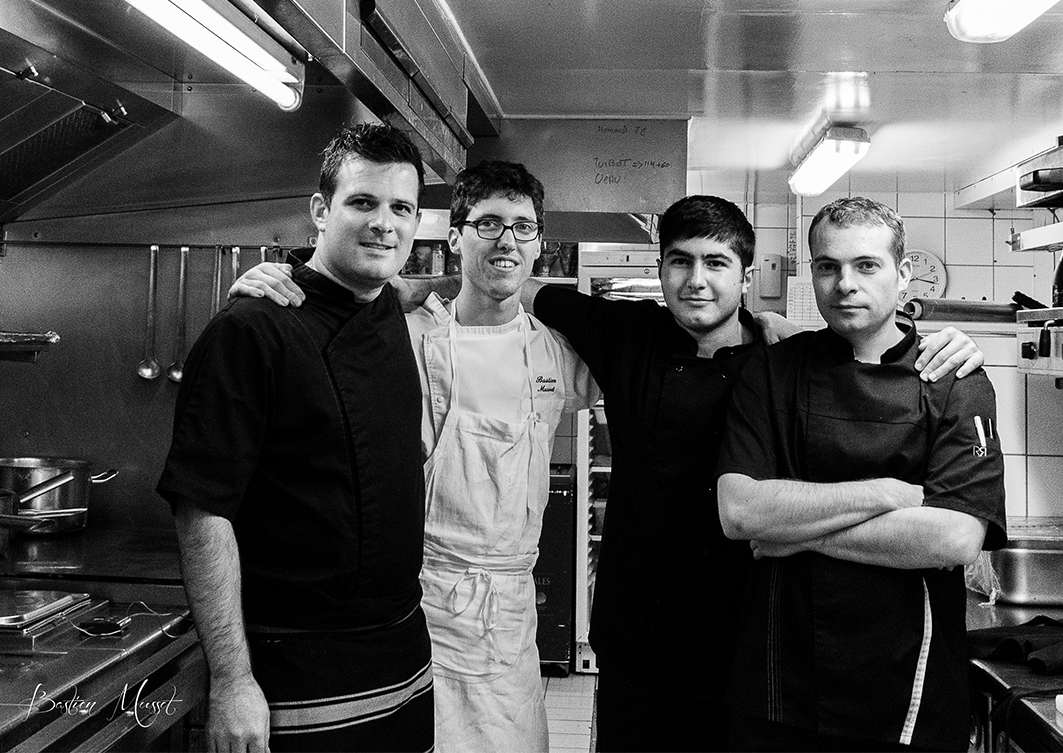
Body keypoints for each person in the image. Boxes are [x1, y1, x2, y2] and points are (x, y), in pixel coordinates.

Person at [232, 193, 985, 752]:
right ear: (660, 269)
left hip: (749, 625)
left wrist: (938, 336)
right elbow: (505, 285)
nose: (697, 281)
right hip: (639, 618)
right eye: (680, 262)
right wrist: (375, 282)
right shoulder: (627, 332)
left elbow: (861, 361)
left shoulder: (780, 355)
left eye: (717, 264)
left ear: (746, 274)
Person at [234, 160, 599, 751]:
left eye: (523, 227)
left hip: (507, 618)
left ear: (539, 244)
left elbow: (657, 359)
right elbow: (320, 310)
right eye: (487, 224)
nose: (507, 240)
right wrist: (277, 283)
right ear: (455, 238)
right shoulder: (399, 329)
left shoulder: (557, 353)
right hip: (410, 604)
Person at [156, 123, 434, 753]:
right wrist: (233, 680)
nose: (383, 225)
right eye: (362, 203)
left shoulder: (388, 304)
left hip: (402, 651)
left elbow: (437, 287)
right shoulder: (252, 329)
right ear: (319, 211)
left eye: (401, 209)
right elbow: (202, 509)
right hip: (296, 663)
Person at [715, 196, 1007, 752]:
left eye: (866, 265)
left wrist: (793, 534)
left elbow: (954, 537)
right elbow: (741, 512)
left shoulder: (955, 381)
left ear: (903, 275)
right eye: (828, 266)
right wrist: (887, 494)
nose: (845, 284)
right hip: (780, 679)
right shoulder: (772, 372)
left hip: (907, 683)